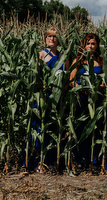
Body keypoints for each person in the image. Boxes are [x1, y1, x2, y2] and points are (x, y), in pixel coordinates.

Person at [25, 27, 70, 171]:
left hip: (57, 100)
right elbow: (32, 78)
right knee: (38, 129)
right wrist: (46, 87)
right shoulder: (41, 55)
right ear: (45, 39)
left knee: (53, 129)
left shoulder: (64, 57)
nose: (52, 39)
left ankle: (51, 162)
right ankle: (36, 162)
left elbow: (68, 79)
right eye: (49, 36)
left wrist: (62, 89)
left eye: (55, 36)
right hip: (42, 98)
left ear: (59, 40)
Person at [69, 33, 104, 169]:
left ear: (97, 46)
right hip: (81, 99)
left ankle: (93, 160)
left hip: (96, 98)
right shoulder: (78, 61)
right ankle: (79, 159)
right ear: (83, 46)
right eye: (88, 43)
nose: (90, 46)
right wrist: (82, 89)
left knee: (96, 128)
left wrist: (96, 89)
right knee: (81, 128)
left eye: (93, 43)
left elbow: (104, 79)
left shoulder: (100, 61)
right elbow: (71, 80)